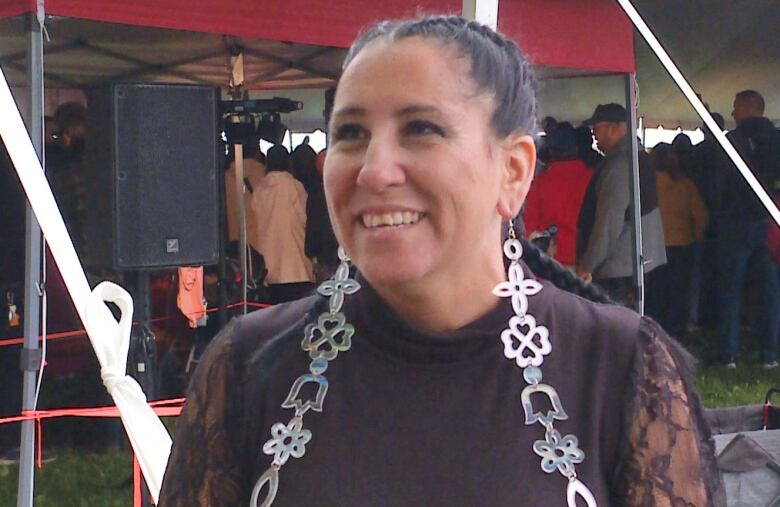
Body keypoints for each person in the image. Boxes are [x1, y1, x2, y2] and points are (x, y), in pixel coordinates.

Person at [159, 16, 722, 506]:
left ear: (514, 171)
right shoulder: (246, 366)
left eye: (421, 130)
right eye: (350, 133)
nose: (374, 170)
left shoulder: (621, 369)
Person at [576, 103, 667, 305]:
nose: (593, 134)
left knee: (613, 330)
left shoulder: (620, 163)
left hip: (619, 266)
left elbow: (609, 220)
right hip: (639, 260)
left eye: (596, 127)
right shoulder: (638, 157)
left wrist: (588, 264)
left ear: (614, 128)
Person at [715, 90, 780, 368]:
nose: (733, 113)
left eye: (735, 107)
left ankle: (728, 354)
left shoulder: (732, 142)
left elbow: (717, 184)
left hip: (735, 222)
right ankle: (769, 354)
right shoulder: (777, 140)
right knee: (770, 290)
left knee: (731, 289)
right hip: (769, 223)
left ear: (747, 107)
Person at [647, 143, 709, 339]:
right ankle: (676, 333)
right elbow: (701, 216)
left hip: (653, 244)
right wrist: (696, 237)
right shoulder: (686, 185)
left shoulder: (646, 186)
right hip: (682, 244)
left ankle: (654, 330)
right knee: (679, 291)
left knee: (655, 291)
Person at [250, 145, 314, 303]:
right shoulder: (294, 186)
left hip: (268, 268)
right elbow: (306, 219)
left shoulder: (259, 190)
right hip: (296, 266)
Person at [523, 123, 593, 267]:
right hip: (587, 261)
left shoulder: (540, 183)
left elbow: (529, 227)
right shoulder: (593, 178)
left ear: (551, 151)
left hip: (553, 261)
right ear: (576, 148)